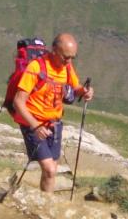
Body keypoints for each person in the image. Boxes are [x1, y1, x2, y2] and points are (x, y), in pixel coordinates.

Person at [11, 32, 94, 193]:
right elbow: (18, 101)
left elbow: (75, 88)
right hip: (33, 123)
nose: (69, 61)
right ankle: (46, 205)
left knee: (52, 170)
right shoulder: (35, 67)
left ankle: (45, 202)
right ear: (54, 50)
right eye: (65, 57)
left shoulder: (67, 67)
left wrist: (85, 92)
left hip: (54, 123)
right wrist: (35, 126)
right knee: (49, 169)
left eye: (72, 57)